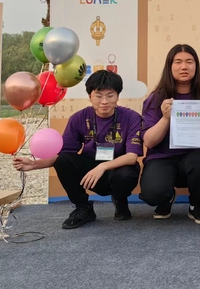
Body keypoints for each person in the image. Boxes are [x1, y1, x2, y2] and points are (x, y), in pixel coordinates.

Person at [13, 70, 142, 229]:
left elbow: (131, 156)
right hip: (90, 169)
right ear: (90, 96)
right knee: (64, 160)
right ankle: (83, 207)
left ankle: (120, 200)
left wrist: (102, 166)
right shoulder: (78, 118)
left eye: (110, 95)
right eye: (98, 96)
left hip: (117, 167)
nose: (104, 101)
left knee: (127, 174)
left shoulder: (131, 117)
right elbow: (64, 156)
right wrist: (34, 164)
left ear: (117, 96)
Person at [139, 44, 200, 224]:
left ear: (196, 66)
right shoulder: (156, 98)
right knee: (153, 193)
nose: (184, 67)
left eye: (189, 62)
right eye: (178, 62)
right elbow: (149, 142)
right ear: (169, 66)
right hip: (162, 157)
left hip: (195, 155)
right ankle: (166, 198)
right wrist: (165, 118)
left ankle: (196, 205)